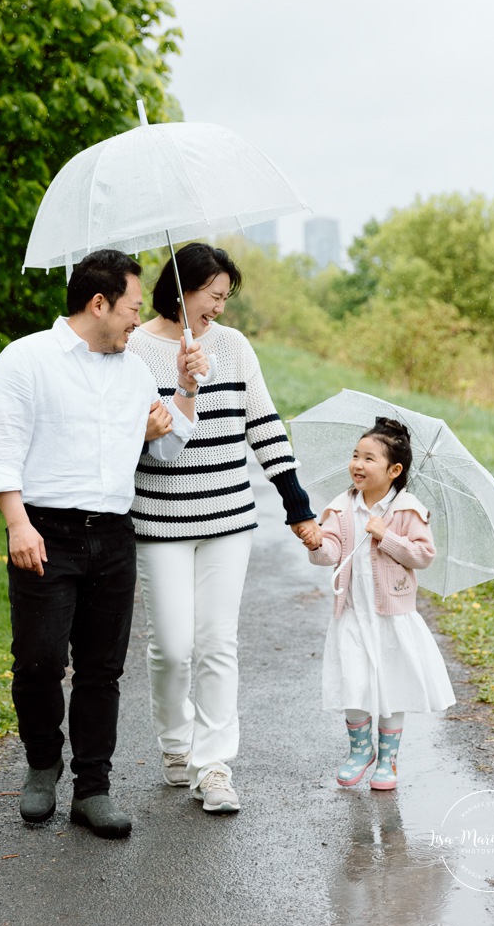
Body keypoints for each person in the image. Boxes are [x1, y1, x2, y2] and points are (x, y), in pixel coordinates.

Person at [0, 249, 207, 838]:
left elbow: (167, 448)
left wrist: (183, 389)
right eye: (133, 308)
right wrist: (17, 522)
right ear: (98, 303)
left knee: (102, 670)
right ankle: (41, 764)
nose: (139, 320)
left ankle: (93, 787)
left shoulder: (132, 370)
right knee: (39, 661)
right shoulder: (26, 359)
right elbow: (2, 444)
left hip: (111, 534)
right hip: (44, 530)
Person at [128, 242, 322, 813]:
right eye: (213, 296)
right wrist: (183, 386)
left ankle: (213, 766)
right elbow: (134, 438)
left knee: (216, 642)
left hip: (228, 518)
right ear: (183, 289)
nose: (218, 308)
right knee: (172, 646)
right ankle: (174, 743)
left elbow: (264, 425)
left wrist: (297, 504)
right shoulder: (135, 349)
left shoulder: (234, 347)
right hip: (159, 518)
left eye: (224, 298)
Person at [300, 417, 455, 790]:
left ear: (394, 470)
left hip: (391, 616)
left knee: (391, 684)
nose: (357, 464)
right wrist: (318, 543)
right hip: (352, 613)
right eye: (355, 456)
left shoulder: (407, 510)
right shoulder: (342, 507)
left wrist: (387, 537)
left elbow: (422, 555)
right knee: (353, 681)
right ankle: (359, 751)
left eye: (369, 459)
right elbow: (333, 551)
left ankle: (387, 760)